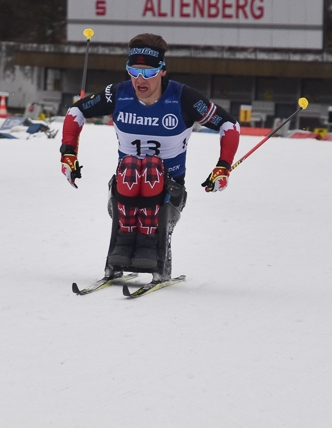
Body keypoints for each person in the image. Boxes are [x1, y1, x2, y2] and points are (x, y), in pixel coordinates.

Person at [59, 33, 240, 280]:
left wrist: (223, 166)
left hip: (169, 190)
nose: (139, 80)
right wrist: (68, 153)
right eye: (133, 71)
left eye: (148, 73)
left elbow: (229, 125)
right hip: (126, 186)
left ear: (162, 70)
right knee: (133, 164)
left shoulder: (184, 97)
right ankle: (122, 245)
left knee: (152, 165)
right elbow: (75, 111)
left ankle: (152, 246)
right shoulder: (117, 94)